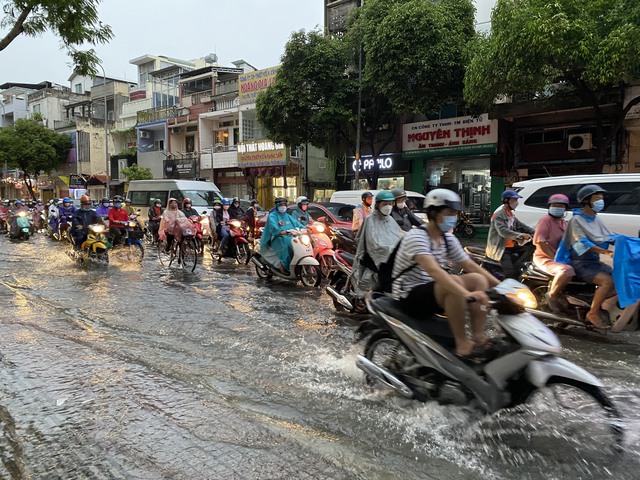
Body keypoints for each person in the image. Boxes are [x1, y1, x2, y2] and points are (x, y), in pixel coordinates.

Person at [392, 189, 500, 359]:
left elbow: (469, 265)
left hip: (433, 291)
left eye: (455, 213)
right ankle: (463, 344)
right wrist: (467, 294)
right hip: (408, 296)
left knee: (478, 280)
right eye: (450, 213)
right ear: (434, 213)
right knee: (454, 281)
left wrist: (503, 288)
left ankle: (478, 336)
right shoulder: (416, 237)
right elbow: (434, 270)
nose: (454, 218)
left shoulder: (448, 239)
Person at [558, 185, 616, 328]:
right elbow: (581, 243)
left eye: (601, 199)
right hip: (580, 262)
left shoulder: (596, 219)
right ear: (586, 201)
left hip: (594, 261)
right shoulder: (576, 220)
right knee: (607, 282)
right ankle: (593, 313)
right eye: (597, 199)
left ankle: (592, 302)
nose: (600, 202)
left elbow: (609, 236)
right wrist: (606, 252)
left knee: (620, 279)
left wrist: (629, 244)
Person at [352, 190, 403, 297]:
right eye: (385, 204)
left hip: (388, 255)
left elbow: (398, 234)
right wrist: (389, 249)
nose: (388, 207)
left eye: (390, 204)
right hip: (371, 256)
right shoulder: (370, 220)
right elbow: (373, 244)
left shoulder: (390, 219)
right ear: (378, 204)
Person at [532, 194, 575, 313]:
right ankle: (552, 295)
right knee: (567, 270)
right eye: (554, 205)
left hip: (561, 257)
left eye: (560, 206)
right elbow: (540, 242)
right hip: (545, 257)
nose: (557, 207)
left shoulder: (564, 223)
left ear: (565, 208)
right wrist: (555, 258)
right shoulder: (545, 220)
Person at [486, 190, 535, 278]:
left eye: (516, 200)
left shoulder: (511, 215)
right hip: (500, 248)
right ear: (506, 201)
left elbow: (522, 226)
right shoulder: (498, 215)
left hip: (511, 247)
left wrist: (536, 232)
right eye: (514, 200)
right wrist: (520, 235)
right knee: (510, 273)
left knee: (530, 249)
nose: (516, 202)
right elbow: (503, 231)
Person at [260, 197, 306, 273]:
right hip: (276, 237)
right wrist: (281, 232)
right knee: (286, 245)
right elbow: (274, 228)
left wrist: (306, 228)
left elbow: (297, 224)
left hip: (290, 236)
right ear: (277, 205)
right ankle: (283, 265)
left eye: (284, 204)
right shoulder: (272, 216)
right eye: (281, 204)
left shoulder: (287, 216)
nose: (283, 206)